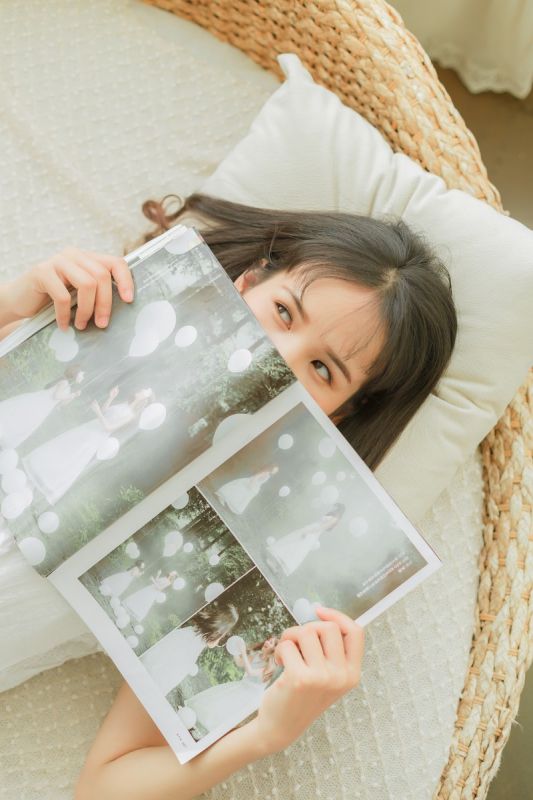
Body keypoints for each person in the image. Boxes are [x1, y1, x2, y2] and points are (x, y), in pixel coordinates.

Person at [0, 190, 456, 799]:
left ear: (341, 416)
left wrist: (263, 733)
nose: (281, 356)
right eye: (284, 313)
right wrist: (11, 305)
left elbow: (101, 789)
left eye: (322, 370)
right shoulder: (107, 325)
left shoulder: (225, 539)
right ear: (244, 284)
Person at [21, 385, 154, 506]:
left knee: (67, 457)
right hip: (90, 429)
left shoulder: (131, 415)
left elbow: (109, 427)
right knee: (61, 450)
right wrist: (111, 397)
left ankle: (36, 486)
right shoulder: (126, 404)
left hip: (95, 437)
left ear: (144, 400)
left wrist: (97, 412)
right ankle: (33, 480)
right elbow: (104, 411)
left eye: (143, 391)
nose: (140, 390)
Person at [183, 636, 279, 737]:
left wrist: (242, 651)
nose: (267, 641)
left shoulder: (271, 667)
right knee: (218, 699)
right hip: (242, 686)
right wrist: (235, 651)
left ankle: (206, 732)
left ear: (274, 650)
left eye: (271, 642)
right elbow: (240, 663)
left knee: (226, 710)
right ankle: (196, 720)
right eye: (268, 639)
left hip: (250, 697)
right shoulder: (257, 655)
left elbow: (251, 672)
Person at [140, 602, 240, 696]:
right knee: (170, 670)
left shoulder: (209, 617)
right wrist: (222, 638)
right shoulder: (219, 632)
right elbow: (211, 644)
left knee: (162, 658)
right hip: (191, 650)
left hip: (185, 635)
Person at [265, 503, 345, 577]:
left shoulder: (335, 519)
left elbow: (322, 527)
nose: (333, 507)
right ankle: (275, 566)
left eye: (335, 506)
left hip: (312, 533)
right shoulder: (331, 515)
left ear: (338, 509)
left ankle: (276, 567)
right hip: (311, 529)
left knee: (295, 549)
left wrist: (309, 532)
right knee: (292, 545)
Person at [214, 464, 279, 515]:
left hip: (254, 486)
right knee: (238, 490)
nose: (275, 471)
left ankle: (225, 500)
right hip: (251, 483)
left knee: (241, 495)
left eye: (276, 471)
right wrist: (251, 485)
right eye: (275, 469)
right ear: (271, 468)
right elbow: (256, 477)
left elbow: (259, 482)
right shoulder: (266, 473)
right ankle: (222, 497)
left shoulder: (268, 475)